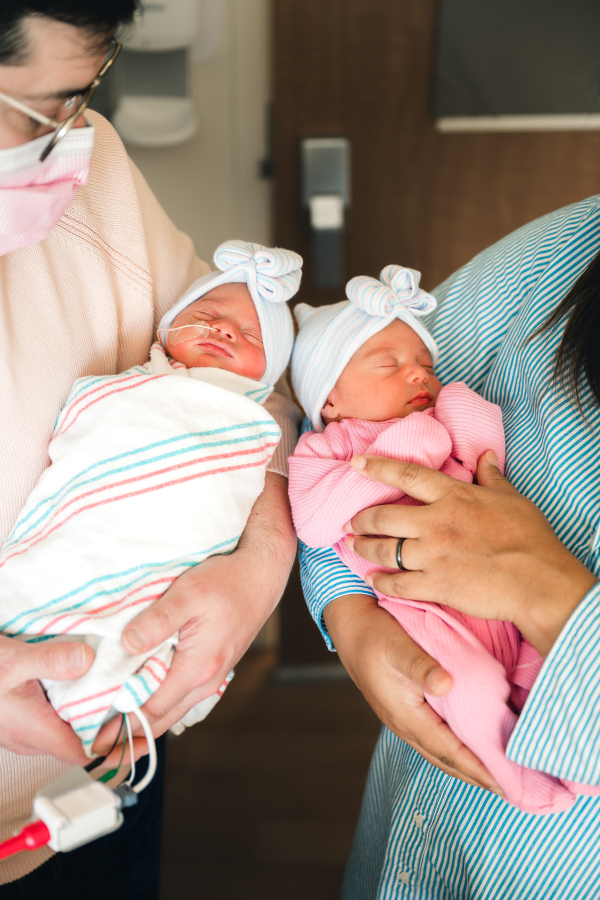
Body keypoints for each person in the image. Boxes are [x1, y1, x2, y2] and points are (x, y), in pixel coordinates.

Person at [0, 3, 299, 896]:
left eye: (80, 99)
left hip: (92, 790)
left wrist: (264, 555)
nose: (68, 142)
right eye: (39, 110)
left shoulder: (85, 177)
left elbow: (259, 375)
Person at [299, 198, 600, 897]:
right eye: (391, 361)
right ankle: (509, 752)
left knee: (512, 674)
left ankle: (540, 769)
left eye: (417, 366)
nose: (416, 375)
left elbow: (461, 417)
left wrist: (551, 597)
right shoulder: (565, 251)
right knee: (466, 686)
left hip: (560, 868)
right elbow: (314, 516)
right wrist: (351, 618)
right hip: (421, 765)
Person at [0, 239, 302, 753]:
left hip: (165, 587)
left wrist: (261, 566)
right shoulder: (129, 388)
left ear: (265, 378)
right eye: (207, 314)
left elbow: (275, 424)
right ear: (166, 333)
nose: (224, 327)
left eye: (250, 335)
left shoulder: (250, 420)